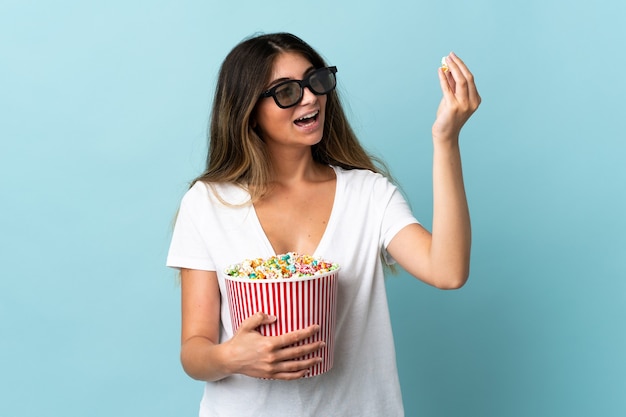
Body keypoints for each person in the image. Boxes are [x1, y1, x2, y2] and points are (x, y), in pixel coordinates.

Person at [167, 32, 480, 417]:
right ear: (247, 111)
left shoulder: (368, 193)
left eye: (316, 80)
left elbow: (447, 271)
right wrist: (232, 357)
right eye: (286, 92)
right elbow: (194, 352)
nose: (311, 97)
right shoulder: (207, 202)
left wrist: (445, 139)